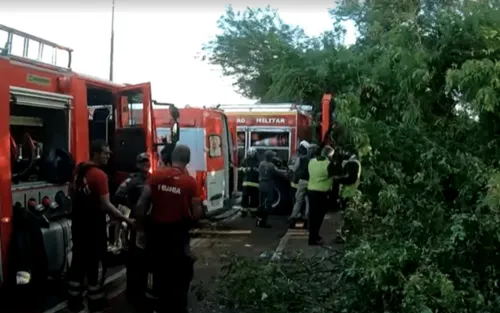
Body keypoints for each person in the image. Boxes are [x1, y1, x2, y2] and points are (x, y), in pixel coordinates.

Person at [67, 140, 135, 313]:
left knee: (78, 262)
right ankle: (95, 301)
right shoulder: (99, 175)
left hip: (78, 225)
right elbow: (106, 205)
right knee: (95, 264)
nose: (108, 155)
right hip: (93, 227)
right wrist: (126, 220)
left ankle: (74, 301)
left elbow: (71, 192)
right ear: (96, 153)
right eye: (106, 152)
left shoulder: (78, 170)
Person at [135, 144, 203, 313]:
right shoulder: (190, 182)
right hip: (177, 235)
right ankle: (178, 306)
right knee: (182, 273)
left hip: (156, 233)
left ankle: (158, 303)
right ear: (187, 160)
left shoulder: (155, 177)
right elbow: (196, 213)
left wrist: (141, 230)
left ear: (172, 158)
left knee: (158, 270)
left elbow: (141, 205)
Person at [113, 152, 151, 305]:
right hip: (135, 224)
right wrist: (131, 207)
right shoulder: (132, 180)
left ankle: (142, 292)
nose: (145, 164)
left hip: (148, 225)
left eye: (147, 161)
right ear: (137, 164)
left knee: (146, 261)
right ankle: (132, 294)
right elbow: (118, 196)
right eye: (142, 162)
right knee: (134, 260)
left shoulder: (152, 179)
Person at [307, 145, 337, 245]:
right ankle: (314, 238)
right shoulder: (329, 164)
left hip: (311, 191)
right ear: (329, 155)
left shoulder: (311, 161)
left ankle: (312, 236)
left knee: (312, 215)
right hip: (322, 193)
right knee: (319, 216)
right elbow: (335, 176)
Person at [334, 149, 362, 243]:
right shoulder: (355, 163)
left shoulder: (352, 164)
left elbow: (350, 179)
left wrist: (338, 180)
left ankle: (345, 236)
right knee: (348, 215)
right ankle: (347, 235)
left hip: (349, 193)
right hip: (352, 193)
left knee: (346, 215)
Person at [256, 150, 288, 228]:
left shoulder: (261, 164)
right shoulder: (271, 165)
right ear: (270, 157)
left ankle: (259, 220)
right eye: (273, 156)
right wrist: (287, 174)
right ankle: (264, 222)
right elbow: (278, 173)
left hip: (261, 184)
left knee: (261, 203)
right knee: (268, 204)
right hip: (268, 185)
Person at [289, 141, 311, 228]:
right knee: (308, 202)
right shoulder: (311, 159)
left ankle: (293, 218)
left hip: (300, 182)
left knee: (298, 201)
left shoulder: (299, 159)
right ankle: (306, 219)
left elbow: (294, 169)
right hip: (310, 182)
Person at [240, 148, 260, 216]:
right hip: (250, 183)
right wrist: (246, 169)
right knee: (250, 198)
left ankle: (248, 212)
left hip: (250, 183)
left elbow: (260, 171)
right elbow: (240, 169)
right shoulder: (246, 161)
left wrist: (255, 170)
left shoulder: (256, 162)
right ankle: (247, 211)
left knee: (251, 198)